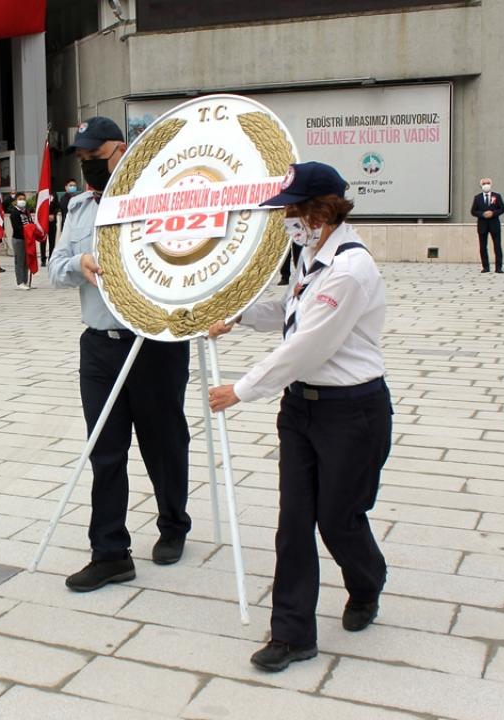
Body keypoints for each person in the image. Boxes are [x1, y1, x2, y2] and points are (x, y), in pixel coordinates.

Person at [206, 161, 392, 674]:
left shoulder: (350, 270)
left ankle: (367, 581)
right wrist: (239, 316)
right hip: (300, 410)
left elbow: (309, 345)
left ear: (321, 211)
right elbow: (292, 312)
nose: (286, 219)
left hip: (351, 412)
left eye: (292, 210)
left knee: (338, 519)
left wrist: (241, 390)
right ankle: (291, 634)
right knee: (293, 522)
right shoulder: (311, 257)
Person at [48, 115, 192, 592]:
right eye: (83, 157)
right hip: (99, 347)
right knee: (104, 449)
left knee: (163, 442)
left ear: (122, 150)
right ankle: (110, 552)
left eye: (96, 155)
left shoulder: (159, 198)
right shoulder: (79, 208)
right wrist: (81, 262)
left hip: (153, 343)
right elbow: (56, 268)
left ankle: (173, 523)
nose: (89, 164)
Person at [470, 177, 504, 273]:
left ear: (491, 184)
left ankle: (498, 267)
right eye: (484, 183)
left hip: (494, 225)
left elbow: (502, 209)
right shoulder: (477, 198)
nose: (486, 185)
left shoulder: (497, 196)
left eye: (488, 183)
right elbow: (473, 211)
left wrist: (493, 213)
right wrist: (482, 214)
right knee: (483, 247)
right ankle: (485, 267)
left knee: (497, 246)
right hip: (482, 225)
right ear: (481, 185)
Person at [9, 192, 39, 290]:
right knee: (19, 261)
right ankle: (20, 281)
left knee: (26, 261)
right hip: (19, 239)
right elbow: (17, 228)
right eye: (20, 199)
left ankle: (25, 281)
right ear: (16, 201)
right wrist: (28, 232)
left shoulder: (27, 212)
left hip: (27, 239)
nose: (22, 201)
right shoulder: (14, 213)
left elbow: (31, 223)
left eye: (24, 199)